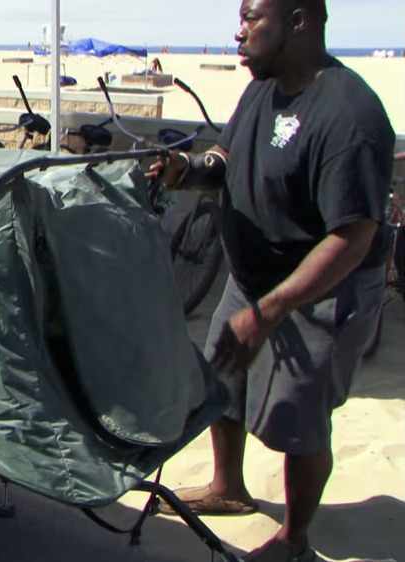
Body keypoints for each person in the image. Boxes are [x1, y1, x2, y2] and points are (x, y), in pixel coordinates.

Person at [147, 0, 394, 560]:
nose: (238, 32)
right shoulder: (263, 87)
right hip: (252, 282)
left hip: (325, 294)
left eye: (253, 18)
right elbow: (224, 157)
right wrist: (189, 171)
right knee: (223, 384)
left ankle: (294, 539)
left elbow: (351, 237)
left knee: (301, 419)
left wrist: (270, 310)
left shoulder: (349, 115)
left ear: (299, 22)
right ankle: (228, 488)